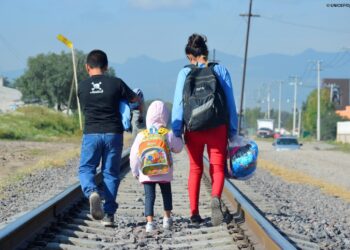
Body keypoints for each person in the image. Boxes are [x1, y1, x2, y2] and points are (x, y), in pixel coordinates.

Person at [171, 34, 238, 226]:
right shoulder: (221, 70)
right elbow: (230, 103)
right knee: (217, 168)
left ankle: (194, 213)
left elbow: (178, 104)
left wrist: (177, 130)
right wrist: (232, 130)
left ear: (190, 56)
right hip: (217, 127)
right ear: (206, 52)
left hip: (194, 128)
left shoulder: (184, 73)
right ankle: (215, 198)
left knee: (195, 169)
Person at [78, 49, 141, 226]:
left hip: (91, 133)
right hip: (113, 133)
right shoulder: (116, 83)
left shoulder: (82, 86)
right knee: (111, 174)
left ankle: (92, 192)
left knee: (86, 169)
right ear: (106, 66)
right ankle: (109, 215)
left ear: (87, 67)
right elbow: (135, 99)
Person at [130, 100, 183, 233]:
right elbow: (178, 148)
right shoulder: (167, 133)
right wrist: (179, 136)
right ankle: (167, 219)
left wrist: (135, 171)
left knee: (149, 196)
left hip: (147, 172)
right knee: (166, 194)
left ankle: (149, 223)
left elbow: (134, 155)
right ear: (165, 116)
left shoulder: (142, 135)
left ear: (148, 116)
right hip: (165, 171)